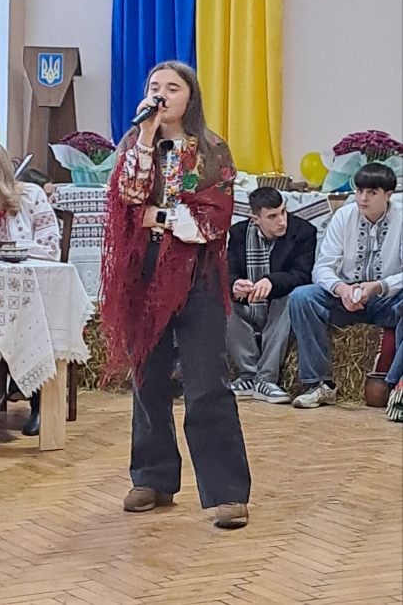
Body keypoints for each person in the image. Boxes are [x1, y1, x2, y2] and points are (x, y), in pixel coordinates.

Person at [101, 61, 251, 529]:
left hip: (196, 272)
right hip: (142, 272)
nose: (161, 94)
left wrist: (158, 217)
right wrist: (145, 140)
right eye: (154, 86)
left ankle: (227, 492)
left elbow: (212, 218)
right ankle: (153, 477)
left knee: (206, 382)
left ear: (190, 98)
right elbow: (126, 200)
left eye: (172, 87)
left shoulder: (211, 149)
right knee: (148, 377)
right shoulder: (134, 142)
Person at [289, 163, 402, 409]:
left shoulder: (401, 218)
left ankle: (395, 387)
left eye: (371, 192)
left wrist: (378, 286)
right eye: (359, 191)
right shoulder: (344, 216)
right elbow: (322, 267)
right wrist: (342, 289)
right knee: (302, 297)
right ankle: (320, 385)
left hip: (389, 300)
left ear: (388, 194)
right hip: (347, 298)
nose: (362, 198)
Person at [0, 141, 60, 435]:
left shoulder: (31, 196)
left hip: (32, 290)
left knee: (34, 320)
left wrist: (6, 247)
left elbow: (51, 247)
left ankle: (39, 403)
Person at [228, 187, 317, 403]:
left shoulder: (303, 232)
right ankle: (248, 375)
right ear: (256, 219)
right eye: (272, 216)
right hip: (248, 301)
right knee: (223, 302)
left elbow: (303, 275)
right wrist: (235, 284)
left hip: (279, 299)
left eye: (283, 212)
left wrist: (272, 281)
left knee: (292, 300)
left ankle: (266, 379)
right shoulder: (239, 234)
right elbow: (228, 270)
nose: (281, 221)